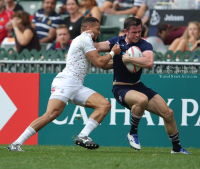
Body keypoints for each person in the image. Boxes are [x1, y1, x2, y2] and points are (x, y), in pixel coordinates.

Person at [7, 16, 121, 152]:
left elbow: (102, 64)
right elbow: (100, 63)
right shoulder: (85, 39)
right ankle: (16, 143)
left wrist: (122, 64)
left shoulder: (86, 40)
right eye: (98, 29)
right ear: (89, 28)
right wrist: (113, 53)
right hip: (67, 82)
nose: (99, 32)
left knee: (104, 105)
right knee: (51, 114)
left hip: (76, 85)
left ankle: (83, 136)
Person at [94, 16, 191, 154]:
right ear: (125, 31)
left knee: (168, 113)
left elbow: (149, 63)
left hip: (137, 85)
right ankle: (133, 133)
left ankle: (176, 149)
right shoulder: (116, 42)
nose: (137, 34)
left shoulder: (145, 45)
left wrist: (129, 59)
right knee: (141, 100)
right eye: (134, 32)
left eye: (139, 31)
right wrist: (82, 40)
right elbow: (97, 46)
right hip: (120, 87)